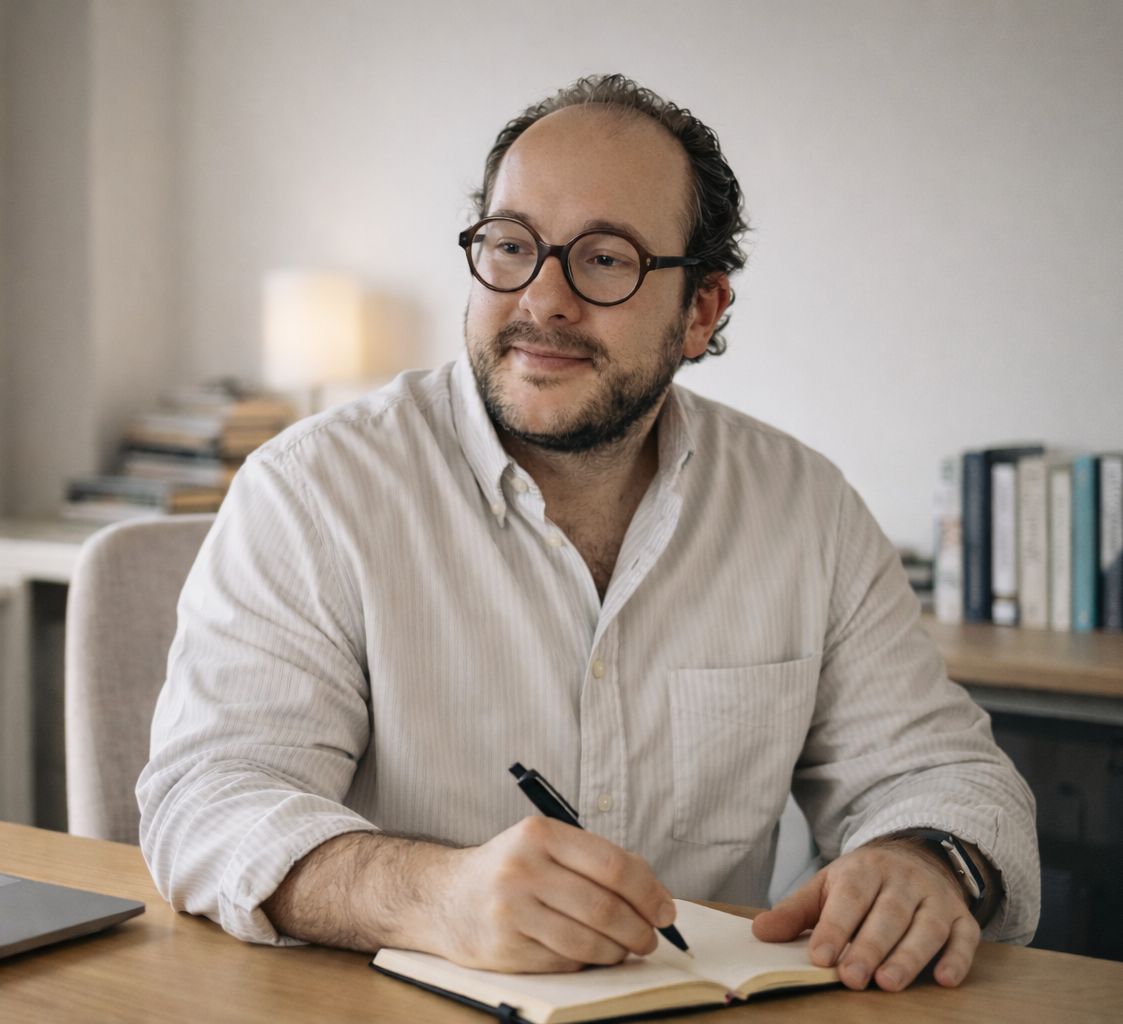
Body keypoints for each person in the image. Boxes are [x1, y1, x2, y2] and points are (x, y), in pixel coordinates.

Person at [137, 74, 1037, 993]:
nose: (545, 299)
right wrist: (433, 894)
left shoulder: (806, 508)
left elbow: (949, 774)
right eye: (511, 246)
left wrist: (930, 861)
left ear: (702, 310)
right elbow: (209, 803)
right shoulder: (315, 489)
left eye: (606, 259)